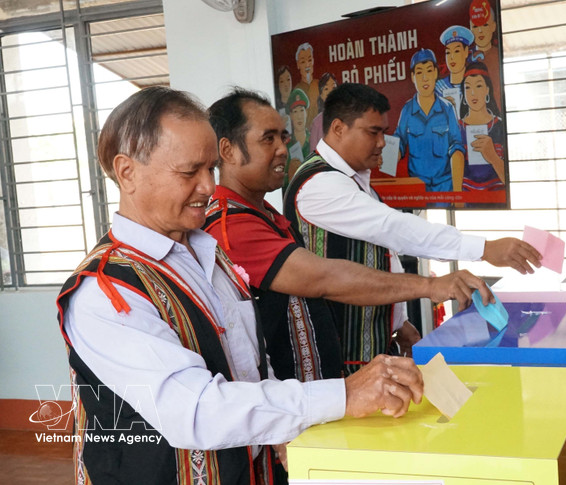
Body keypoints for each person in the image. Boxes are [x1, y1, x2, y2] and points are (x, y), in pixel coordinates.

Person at [57, 86, 424, 484]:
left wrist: (282, 428)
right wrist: (343, 395)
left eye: (211, 169)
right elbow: (196, 410)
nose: (207, 186)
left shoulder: (207, 254)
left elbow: (247, 364)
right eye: (189, 172)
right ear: (128, 172)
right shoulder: (106, 289)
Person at [205, 87, 491, 380]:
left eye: (283, 137)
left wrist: (397, 321)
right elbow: (325, 277)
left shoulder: (264, 213)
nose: (281, 149)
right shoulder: (232, 226)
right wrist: (431, 285)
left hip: (326, 382)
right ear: (228, 151)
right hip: (301, 394)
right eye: (268, 139)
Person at [283, 83, 542, 373]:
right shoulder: (319, 185)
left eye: (384, 132)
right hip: (334, 357)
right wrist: (484, 248)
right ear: (339, 128)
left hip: (368, 347)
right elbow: (392, 228)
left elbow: (382, 253)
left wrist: (398, 321)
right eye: (373, 132)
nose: (382, 142)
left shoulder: (353, 180)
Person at [396, 48, 465, 194]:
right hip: (417, 187)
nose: (425, 78)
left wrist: (458, 194)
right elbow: (399, 141)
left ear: (435, 73)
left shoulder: (447, 108)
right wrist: (387, 157)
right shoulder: (407, 110)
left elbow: (456, 146)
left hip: (444, 187)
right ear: (413, 77)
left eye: (429, 71)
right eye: (419, 72)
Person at [459, 61, 505, 192]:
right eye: (468, 87)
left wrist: (493, 157)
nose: (473, 93)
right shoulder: (456, 128)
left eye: (478, 86)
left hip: (496, 196)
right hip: (465, 198)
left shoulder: (499, 126)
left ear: (487, 89)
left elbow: (510, 179)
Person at [435, 25, 475, 109]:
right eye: (448, 53)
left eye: (456, 51)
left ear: (466, 52)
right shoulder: (438, 87)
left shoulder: (475, 83)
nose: (452, 57)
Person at [285, 88, 310, 188]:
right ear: (291, 115)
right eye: (295, 112)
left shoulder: (315, 140)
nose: (299, 117)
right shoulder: (286, 145)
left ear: (306, 112)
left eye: (302, 110)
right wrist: (290, 175)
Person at [309, 72, 337, 152]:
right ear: (321, 95)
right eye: (326, 89)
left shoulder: (347, 117)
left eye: (333, 88)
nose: (330, 92)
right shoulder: (317, 122)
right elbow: (313, 153)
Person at [293, 42, 320, 123]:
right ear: (298, 65)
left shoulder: (320, 85)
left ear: (313, 61)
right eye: (303, 62)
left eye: (309, 60)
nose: (307, 65)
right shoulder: (297, 90)